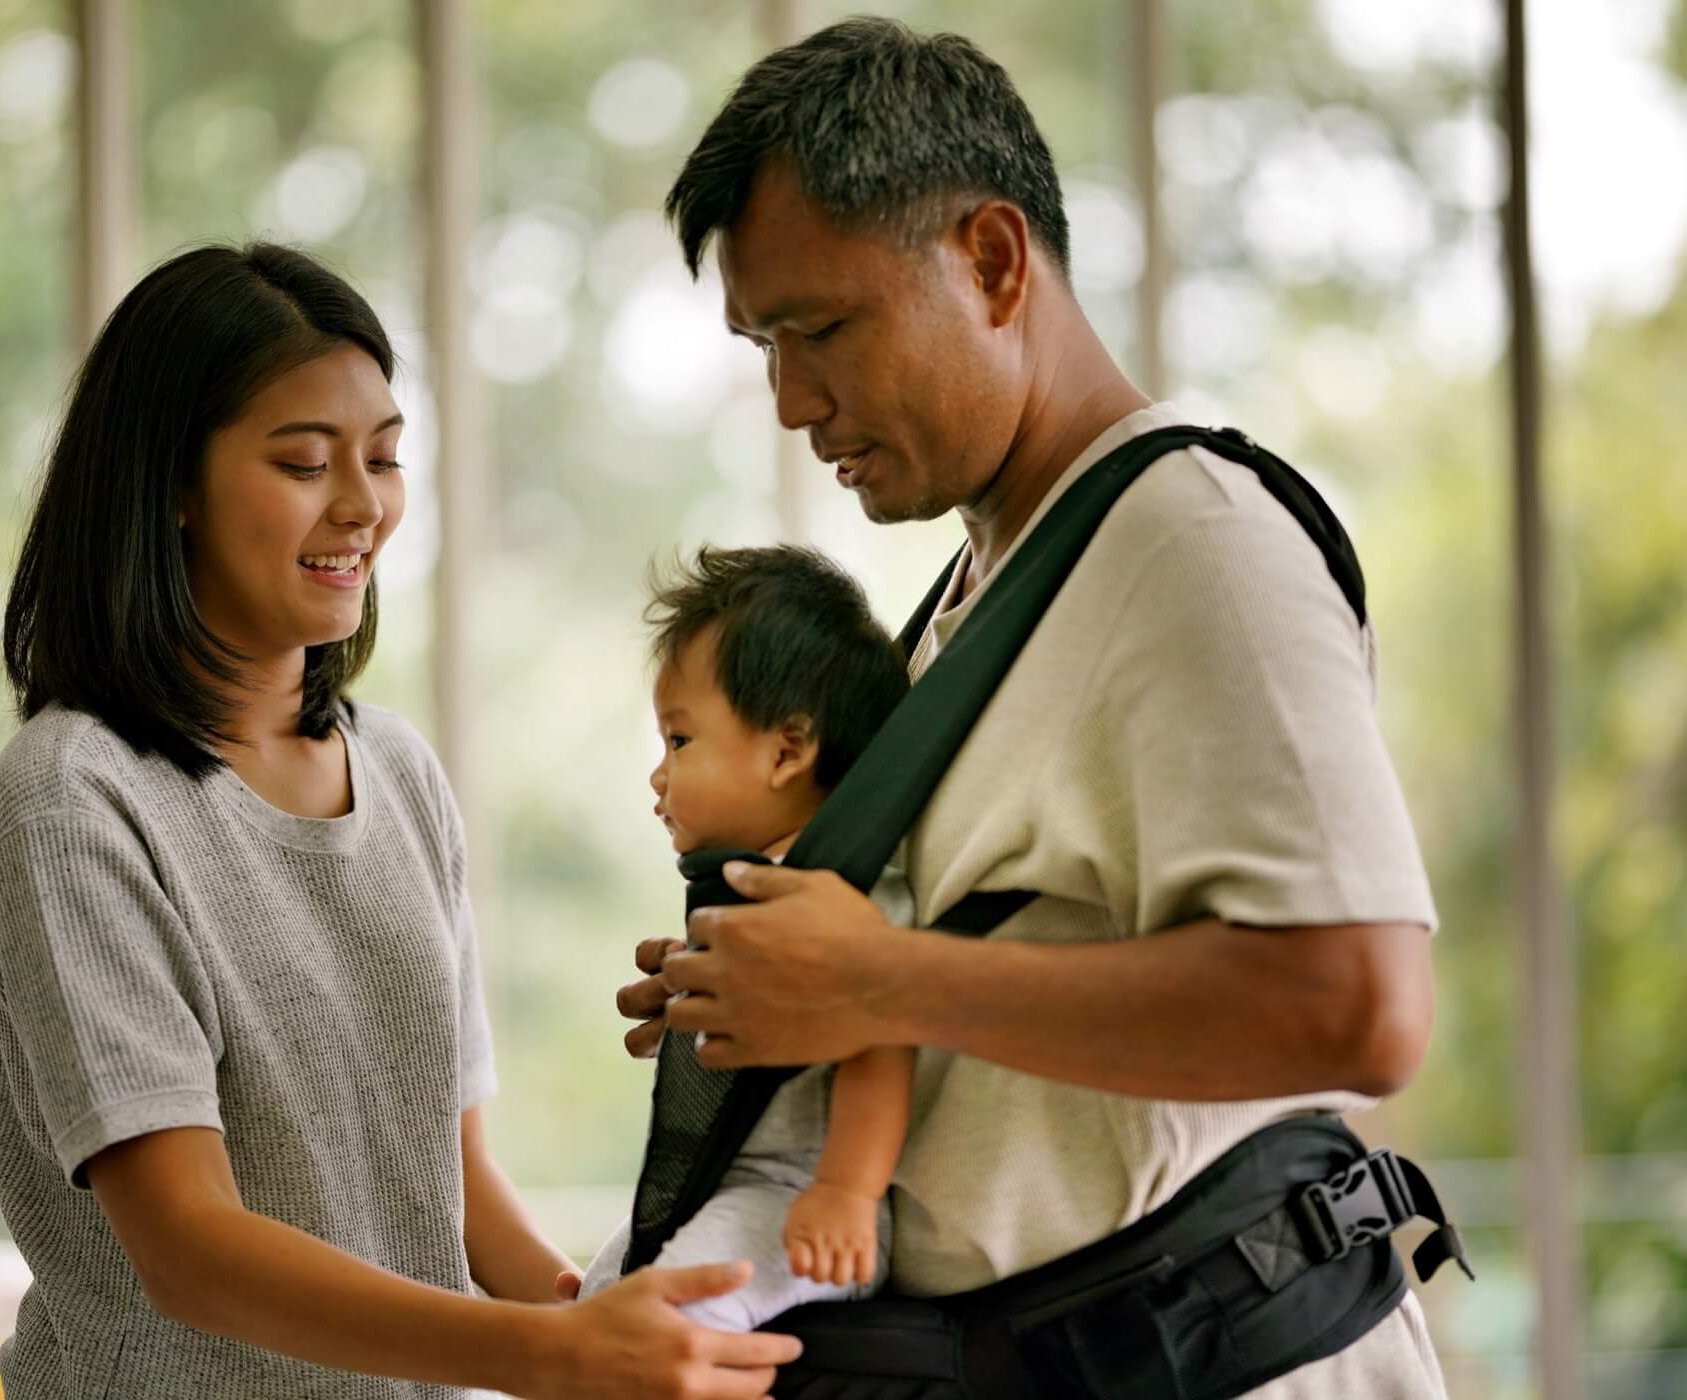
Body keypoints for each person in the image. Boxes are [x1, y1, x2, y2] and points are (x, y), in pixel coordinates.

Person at [614, 19, 1450, 1396]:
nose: (791, 402)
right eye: (764, 345)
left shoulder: (1196, 547)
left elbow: (1356, 1005)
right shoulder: (978, 597)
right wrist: (770, 993)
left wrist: (874, 979)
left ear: (993, 261)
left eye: (818, 329)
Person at [0, 242, 801, 1399]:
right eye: (305, 461)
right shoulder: (72, 798)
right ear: (172, 487)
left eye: (387, 457)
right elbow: (188, 1248)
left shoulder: (396, 769)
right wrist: (557, 1356)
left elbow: (451, 1182)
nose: (364, 505)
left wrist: (606, 1317)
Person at [579, 546, 914, 1328]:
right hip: (730, 1181)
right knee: (597, 1310)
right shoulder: (754, 889)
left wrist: (846, 1192)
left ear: (787, 752)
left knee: (668, 1327)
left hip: (802, 1194)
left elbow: (885, 1033)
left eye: (680, 741)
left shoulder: (836, 892)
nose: (658, 776)